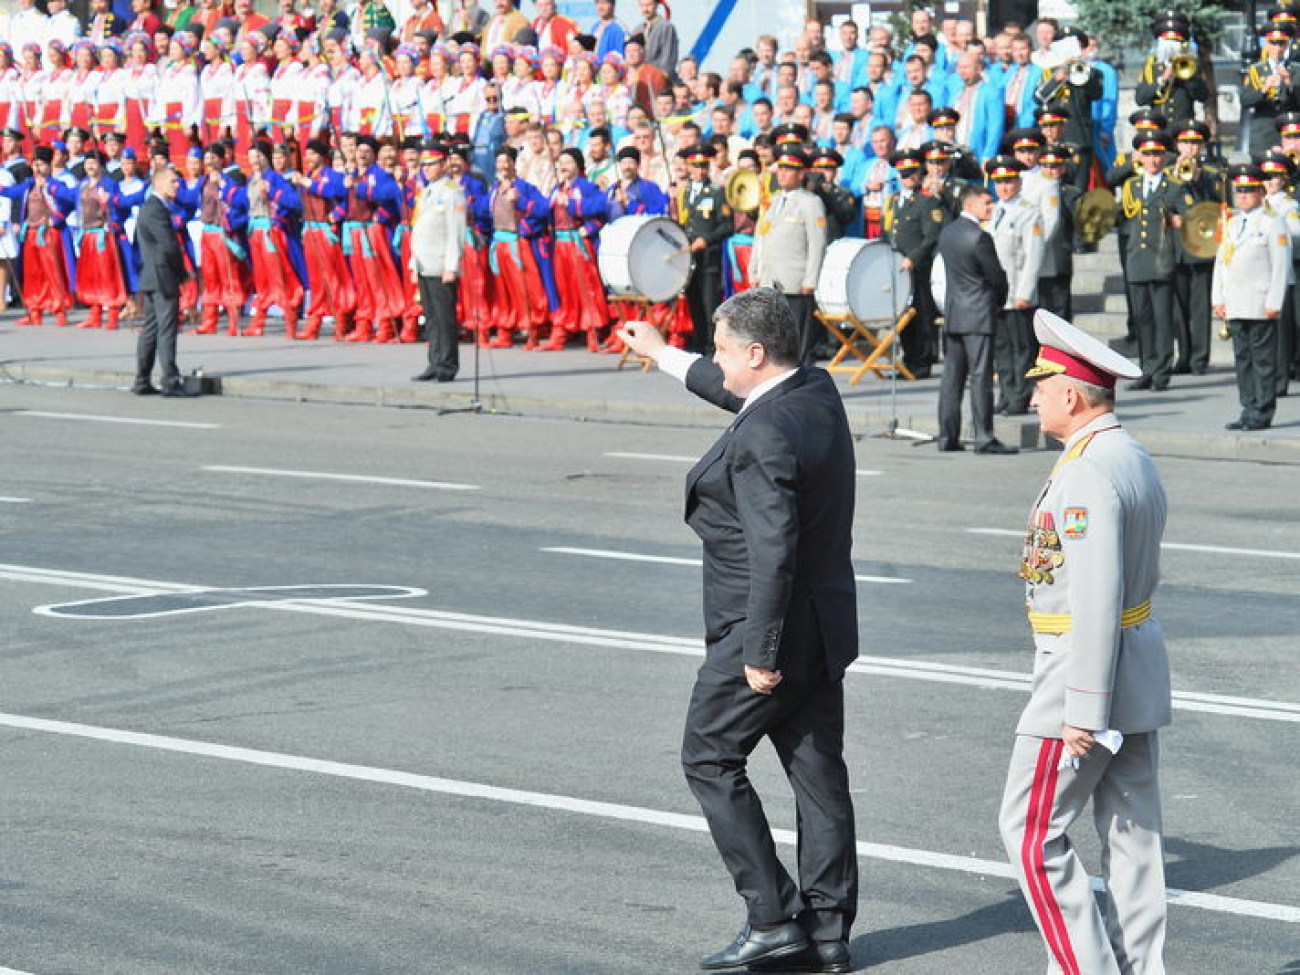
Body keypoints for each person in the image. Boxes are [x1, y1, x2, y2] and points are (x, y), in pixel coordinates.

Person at [616, 287, 858, 975]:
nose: (716, 360)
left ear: (756, 352)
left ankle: (773, 916)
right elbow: (743, 398)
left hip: (764, 628)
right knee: (817, 776)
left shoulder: (764, 434)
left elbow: (773, 550)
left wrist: (759, 653)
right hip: (823, 625)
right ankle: (831, 933)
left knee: (709, 756)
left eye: (722, 348)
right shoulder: (812, 389)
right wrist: (665, 355)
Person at [999, 308, 1170, 975]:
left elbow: (1095, 593)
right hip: (1137, 666)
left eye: (1042, 384)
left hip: (1081, 671)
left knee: (1029, 830)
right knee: (1134, 838)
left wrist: (1082, 707)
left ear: (1071, 394)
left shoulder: (1087, 472)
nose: (1033, 393)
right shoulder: (1129, 454)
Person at [935, 183, 1015, 453]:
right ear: (969, 205)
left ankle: (947, 436)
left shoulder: (948, 232)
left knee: (952, 378)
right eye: (986, 203)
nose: (990, 207)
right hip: (979, 312)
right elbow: (995, 276)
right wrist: (1000, 301)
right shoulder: (979, 237)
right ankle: (984, 436)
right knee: (980, 376)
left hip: (955, 311)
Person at [1212, 163, 1289, 431]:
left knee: (1263, 359)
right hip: (1235, 302)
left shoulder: (1272, 222)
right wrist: (1217, 297)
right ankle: (1248, 407)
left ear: (1260, 192)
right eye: (1239, 190)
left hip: (1259, 302)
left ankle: (1263, 410)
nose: (1242, 195)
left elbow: (1281, 265)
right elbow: (1221, 262)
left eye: (1248, 190)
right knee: (1243, 359)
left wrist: (1274, 301)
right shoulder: (1232, 222)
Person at [751, 145, 825, 365]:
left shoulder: (810, 203)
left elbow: (816, 244)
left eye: (789, 169)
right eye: (780, 168)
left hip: (795, 281)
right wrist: (755, 268)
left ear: (800, 174)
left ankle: (801, 386)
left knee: (798, 342)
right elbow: (761, 238)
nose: (782, 173)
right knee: (774, 339)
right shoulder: (772, 202)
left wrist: (810, 280)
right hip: (770, 279)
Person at [135, 165, 195, 397]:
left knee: (150, 329)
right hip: (162, 276)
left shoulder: (152, 207)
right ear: (157, 183)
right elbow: (169, 246)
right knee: (166, 330)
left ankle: (142, 380)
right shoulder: (156, 209)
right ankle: (170, 381)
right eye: (173, 181)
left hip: (151, 276)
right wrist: (182, 273)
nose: (177, 185)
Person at [410, 144, 467, 383]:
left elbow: (456, 232)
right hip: (425, 263)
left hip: (441, 264)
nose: (427, 169)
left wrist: (451, 266)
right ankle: (434, 361)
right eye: (424, 165)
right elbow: (419, 229)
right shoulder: (427, 192)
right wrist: (414, 264)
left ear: (444, 165)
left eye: (432, 164)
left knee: (444, 319)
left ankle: (447, 364)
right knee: (431, 318)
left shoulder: (453, 192)